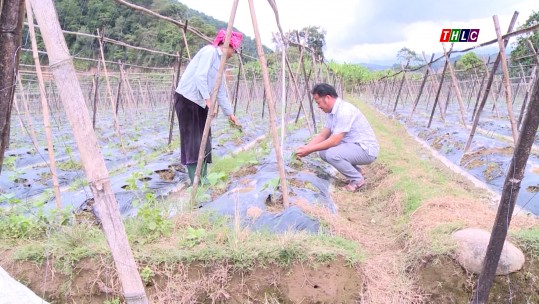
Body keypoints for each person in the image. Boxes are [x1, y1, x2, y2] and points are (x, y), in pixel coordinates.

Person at [174, 29, 242, 185]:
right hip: (188, 99)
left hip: (202, 102)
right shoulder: (209, 52)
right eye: (234, 49)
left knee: (204, 139)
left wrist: (230, 114)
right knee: (192, 140)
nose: (233, 53)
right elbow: (199, 76)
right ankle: (196, 181)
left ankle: (203, 177)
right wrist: (208, 101)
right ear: (228, 45)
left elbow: (221, 91)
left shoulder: (221, 64)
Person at [296, 83, 379, 192]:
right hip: (353, 147)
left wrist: (309, 150)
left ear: (327, 98)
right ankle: (356, 172)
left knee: (332, 154)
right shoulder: (332, 113)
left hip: (366, 150)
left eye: (318, 102)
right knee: (323, 152)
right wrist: (305, 148)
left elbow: (335, 141)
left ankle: (357, 180)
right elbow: (323, 135)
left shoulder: (344, 111)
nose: (318, 106)